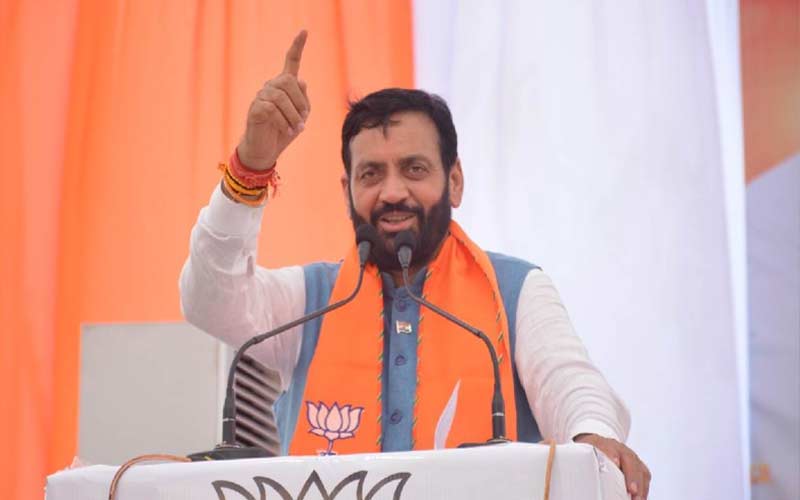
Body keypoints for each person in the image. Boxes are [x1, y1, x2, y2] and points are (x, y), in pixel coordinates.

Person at [180, 30, 651, 499]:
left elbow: (569, 381)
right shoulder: (311, 299)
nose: (392, 192)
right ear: (347, 192)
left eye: (414, 169)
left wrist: (591, 435)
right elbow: (209, 300)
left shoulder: (516, 289)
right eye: (371, 174)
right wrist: (252, 164)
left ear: (455, 182)